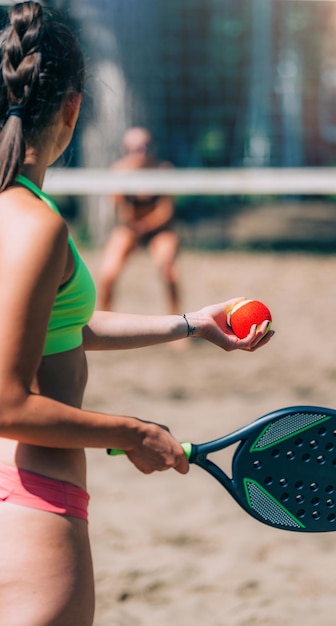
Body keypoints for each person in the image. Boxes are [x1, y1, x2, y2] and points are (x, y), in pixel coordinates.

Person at [0, 3, 273, 625]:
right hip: (29, 494)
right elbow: (6, 403)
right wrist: (135, 432)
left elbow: (53, 329)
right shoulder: (35, 223)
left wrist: (188, 325)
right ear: (73, 108)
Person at [98, 126, 181, 314]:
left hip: (158, 229)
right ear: (125, 150)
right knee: (107, 273)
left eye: (145, 147)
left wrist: (144, 225)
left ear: (153, 147)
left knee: (169, 272)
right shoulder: (118, 172)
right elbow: (120, 209)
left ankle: (179, 326)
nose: (141, 153)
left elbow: (166, 211)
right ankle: (103, 322)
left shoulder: (163, 170)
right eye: (135, 149)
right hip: (130, 228)